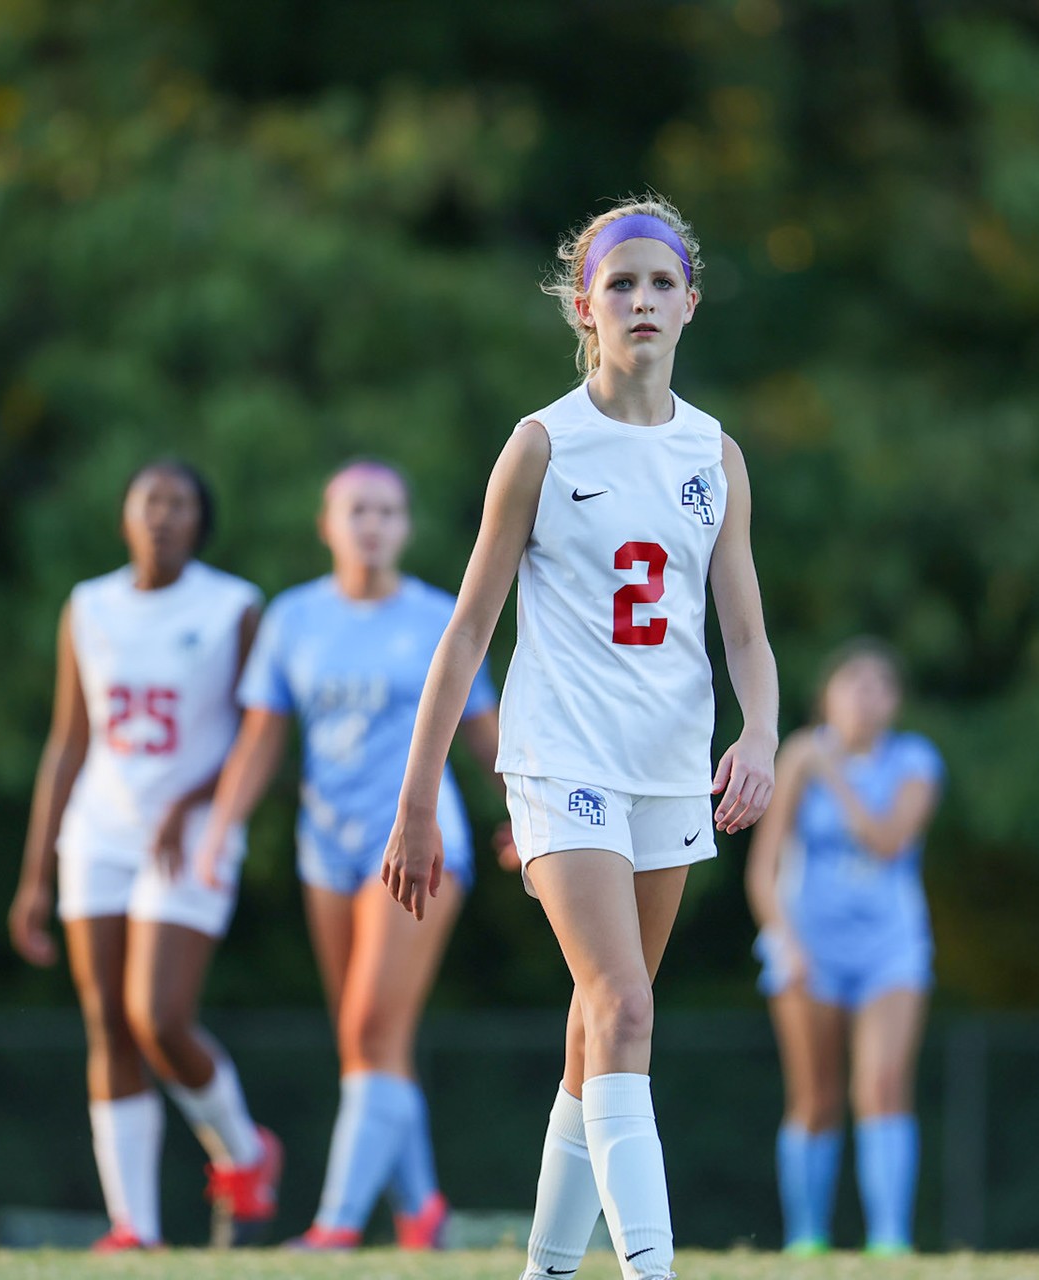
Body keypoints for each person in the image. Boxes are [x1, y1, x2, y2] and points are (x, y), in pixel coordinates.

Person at [379, 195, 779, 1280]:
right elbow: (466, 628)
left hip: (666, 772)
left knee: (593, 1030)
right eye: (621, 284)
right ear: (583, 306)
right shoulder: (542, 444)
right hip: (560, 761)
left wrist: (761, 735)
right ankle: (654, 1270)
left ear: (691, 304)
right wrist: (419, 799)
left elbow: (744, 629)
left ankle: (546, 1270)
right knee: (627, 1007)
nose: (642, 300)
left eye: (661, 283)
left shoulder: (716, 453)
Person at [190, 459, 507, 1250]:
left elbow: (483, 733)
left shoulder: (442, 615)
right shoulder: (293, 620)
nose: (373, 524)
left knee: (370, 1024)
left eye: (389, 511)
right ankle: (422, 1211)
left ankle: (333, 1228)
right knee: (370, 1038)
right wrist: (222, 825)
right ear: (326, 524)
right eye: (358, 510)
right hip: (324, 852)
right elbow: (263, 737)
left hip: (419, 846)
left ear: (406, 527)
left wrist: (527, 815)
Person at [8, 459, 282, 1252]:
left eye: (181, 503)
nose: (163, 515)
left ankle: (245, 1151)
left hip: (191, 833)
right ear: (125, 515)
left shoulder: (233, 606)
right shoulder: (88, 606)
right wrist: (33, 874)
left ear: (202, 520)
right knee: (108, 1025)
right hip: (100, 829)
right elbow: (69, 741)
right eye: (149, 501)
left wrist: (195, 802)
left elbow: (255, 734)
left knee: (158, 1016)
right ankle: (136, 1228)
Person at [744, 638, 944, 1256]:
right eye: (852, 683)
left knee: (882, 1085)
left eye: (879, 684)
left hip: (891, 949)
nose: (866, 696)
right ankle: (806, 1239)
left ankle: (890, 1242)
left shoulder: (914, 761)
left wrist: (830, 768)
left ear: (896, 701)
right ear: (826, 696)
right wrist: (787, 944)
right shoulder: (794, 762)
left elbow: (887, 840)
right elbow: (763, 870)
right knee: (815, 1097)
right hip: (810, 950)